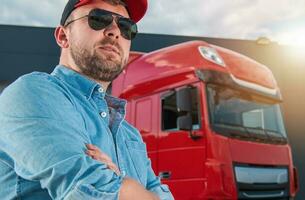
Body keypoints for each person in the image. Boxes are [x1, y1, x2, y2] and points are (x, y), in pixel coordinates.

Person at [0, 0, 174, 199]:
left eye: (126, 27)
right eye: (99, 19)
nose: (115, 31)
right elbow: (92, 194)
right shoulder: (31, 94)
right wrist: (126, 186)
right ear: (63, 36)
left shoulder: (130, 136)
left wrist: (120, 182)